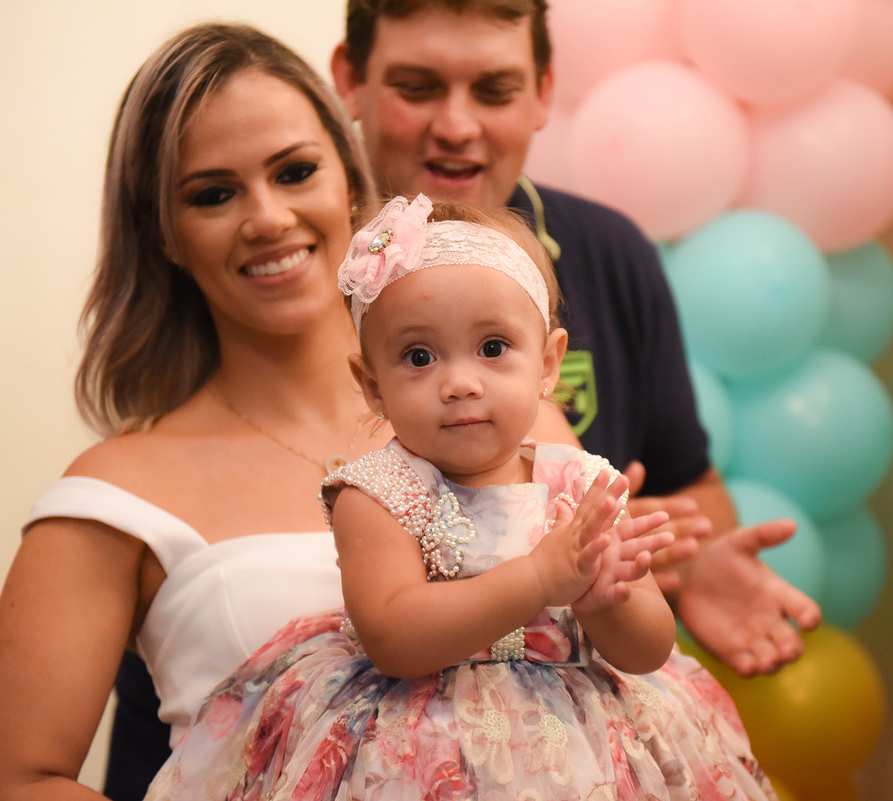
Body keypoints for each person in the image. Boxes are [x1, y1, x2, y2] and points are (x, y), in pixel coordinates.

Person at [0, 22, 568, 801]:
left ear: (349, 178)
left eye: (295, 171)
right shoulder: (114, 493)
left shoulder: (513, 419)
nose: (268, 217)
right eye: (213, 194)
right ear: (165, 234)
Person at [141, 194, 780, 801]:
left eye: (493, 348)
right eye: (419, 356)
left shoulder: (581, 485)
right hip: (420, 743)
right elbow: (394, 638)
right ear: (372, 385)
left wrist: (604, 601)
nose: (460, 382)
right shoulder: (378, 495)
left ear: (548, 364)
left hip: (583, 743)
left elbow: (649, 652)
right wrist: (539, 578)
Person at [331, 0, 821, 669]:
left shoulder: (612, 253)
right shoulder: (304, 271)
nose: (456, 126)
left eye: (495, 90)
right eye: (417, 88)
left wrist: (659, 561)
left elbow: (692, 491)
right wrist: (541, 572)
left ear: (544, 91)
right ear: (350, 80)